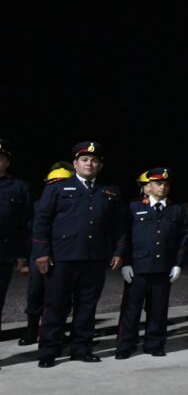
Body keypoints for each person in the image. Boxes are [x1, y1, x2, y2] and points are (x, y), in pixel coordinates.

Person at [33, 142, 126, 367]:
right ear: (75, 163)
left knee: (87, 305)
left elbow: (119, 226)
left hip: (94, 259)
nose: (89, 163)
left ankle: (81, 348)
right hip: (62, 257)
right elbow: (41, 221)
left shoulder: (109, 192)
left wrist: (119, 251)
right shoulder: (57, 188)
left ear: (100, 165)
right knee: (55, 305)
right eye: (84, 159)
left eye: (94, 160)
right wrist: (41, 252)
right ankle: (49, 351)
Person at [115, 168, 188, 359]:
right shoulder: (133, 207)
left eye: (166, 183)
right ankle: (125, 344)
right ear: (147, 187)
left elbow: (183, 238)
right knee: (131, 308)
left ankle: (154, 343)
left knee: (158, 308)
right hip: (138, 267)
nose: (163, 186)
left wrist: (178, 264)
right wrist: (125, 262)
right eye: (158, 183)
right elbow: (125, 236)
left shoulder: (177, 209)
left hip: (163, 267)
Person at [19, 164, 74, 346]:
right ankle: (31, 331)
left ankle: (56, 332)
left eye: (60, 182)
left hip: (62, 256)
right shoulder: (37, 205)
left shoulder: (74, 207)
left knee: (62, 298)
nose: (56, 186)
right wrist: (26, 259)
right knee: (35, 294)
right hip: (38, 256)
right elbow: (28, 233)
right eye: (52, 183)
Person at [0, 139, 31, 342]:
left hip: (3, 254)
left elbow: (26, 224)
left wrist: (22, 255)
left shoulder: (19, 187)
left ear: (7, 162)